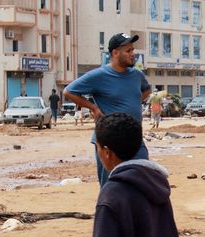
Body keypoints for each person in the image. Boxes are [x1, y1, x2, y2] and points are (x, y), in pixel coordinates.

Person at [64, 32, 151, 186]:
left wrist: (132, 103)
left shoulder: (137, 75)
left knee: (143, 183)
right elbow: (68, 91)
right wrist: (94, 108)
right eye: (128, 51)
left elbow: (147, 90)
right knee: (112, 186)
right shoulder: (98, 75)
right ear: (115, 53)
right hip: (110, 142)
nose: (133, 54)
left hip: (135, 139)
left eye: (133, 50)